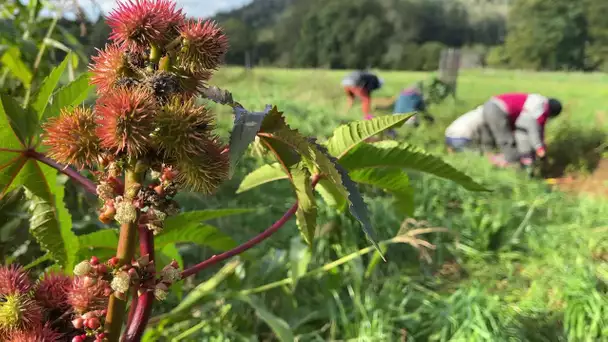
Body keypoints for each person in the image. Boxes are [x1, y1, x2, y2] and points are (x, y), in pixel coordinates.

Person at [446, 93, 562, 168]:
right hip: (497, 110)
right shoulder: (542, 107)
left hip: (491, 104)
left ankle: (490, 165)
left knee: (489, 143)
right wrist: (540, 148)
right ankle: (515, 170)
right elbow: (535, 128)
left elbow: (518, 123)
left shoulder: (535, 99)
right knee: (507, 142)